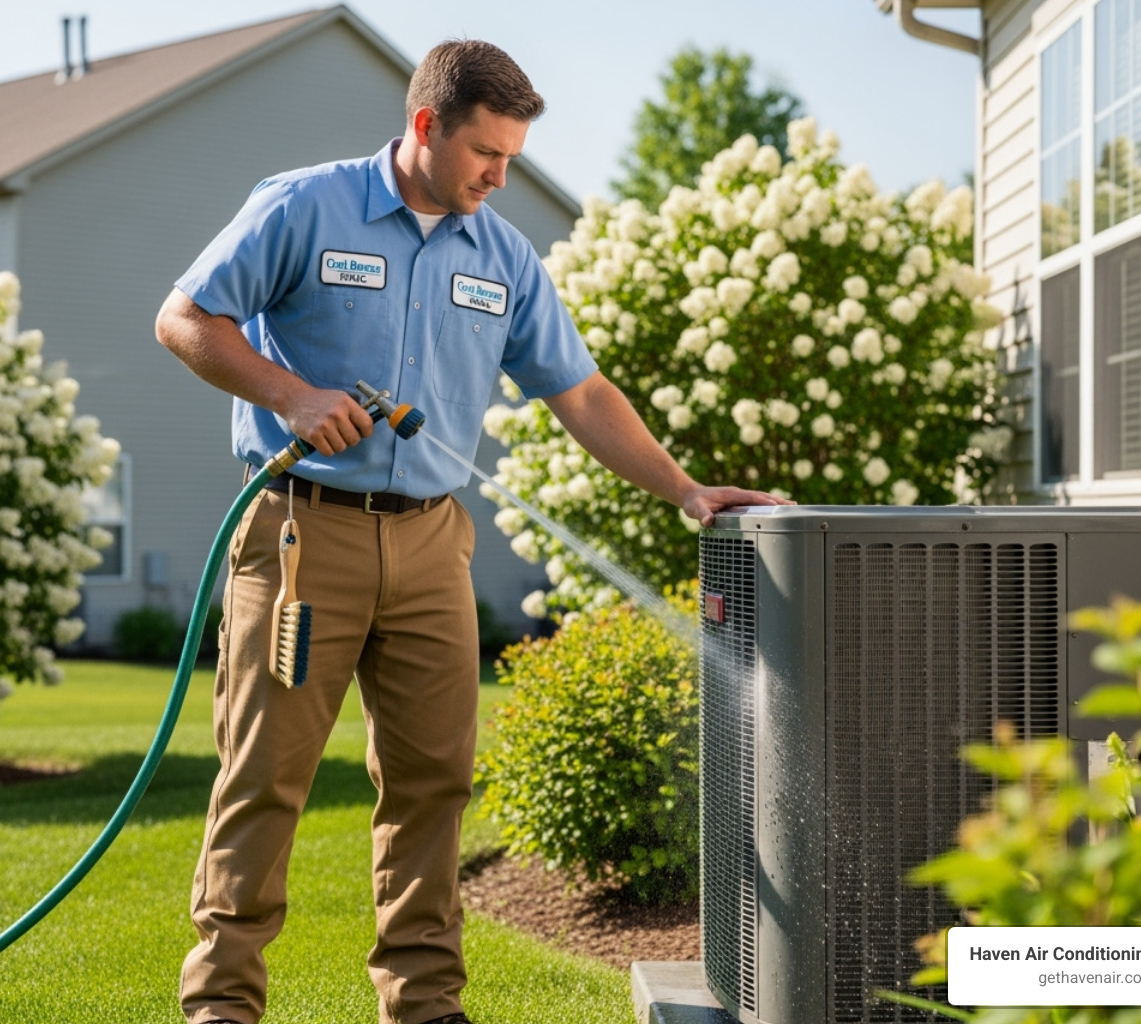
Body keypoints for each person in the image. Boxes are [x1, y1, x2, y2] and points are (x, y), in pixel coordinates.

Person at [154, 38, 791, 1024]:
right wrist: (290, 393)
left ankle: (423, 1001)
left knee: (434, 782)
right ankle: (223, 1003)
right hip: (299, 536)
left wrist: (685, 488)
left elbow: (578, 391)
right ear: (425, 127)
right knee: (264, 776)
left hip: (430, 546)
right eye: (486, 153)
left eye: (512, 156)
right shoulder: (302, 205)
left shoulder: (501, 253)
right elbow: (186, 318)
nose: (501, 175)